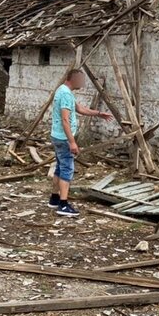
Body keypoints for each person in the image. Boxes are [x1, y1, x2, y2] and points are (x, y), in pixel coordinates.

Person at [49, 68, 113, 216]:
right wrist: (72, 142)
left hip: (58, 136)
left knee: (60, 168)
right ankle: (63, 205)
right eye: (81, 80)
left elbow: (79, 108)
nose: (83, 84)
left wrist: (98, 114)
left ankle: (54, 199)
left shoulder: (63, 90)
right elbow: (65, 120)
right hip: (64, 138)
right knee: (67, 169)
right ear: (73, 79)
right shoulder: (66, 94)